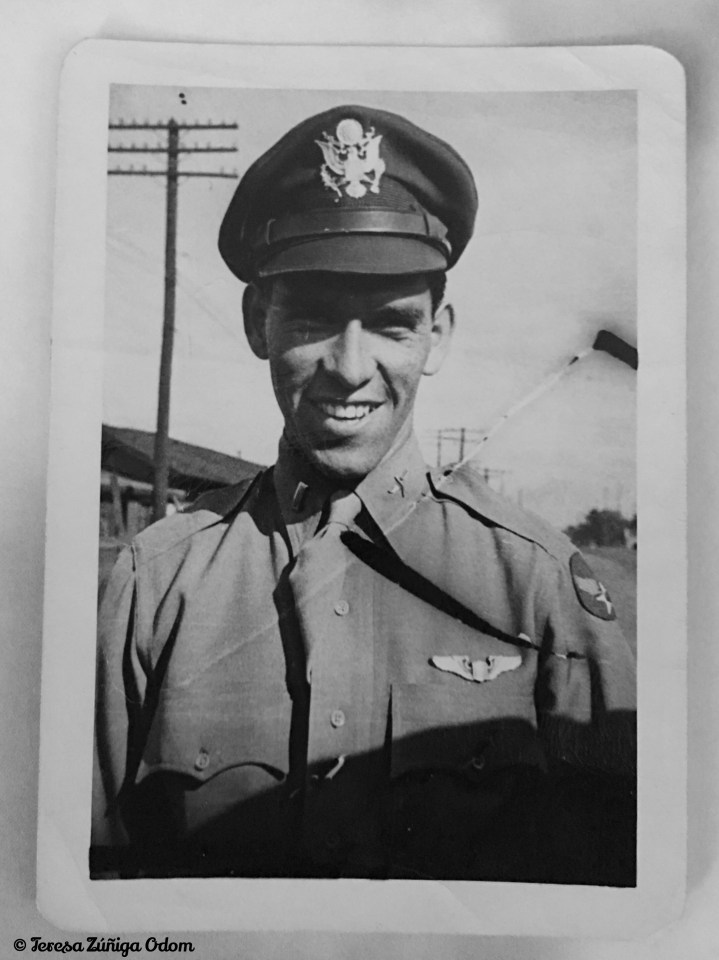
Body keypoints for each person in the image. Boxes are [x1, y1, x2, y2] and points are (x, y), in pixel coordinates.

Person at [92, 104, 636, 884]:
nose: (349, 369)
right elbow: (90, 887)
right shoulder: (157, 583)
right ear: (258, 322)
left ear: (437, 335)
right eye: (312, 319)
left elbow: (614, 896)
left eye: (390, 324)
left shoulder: (537, 586)